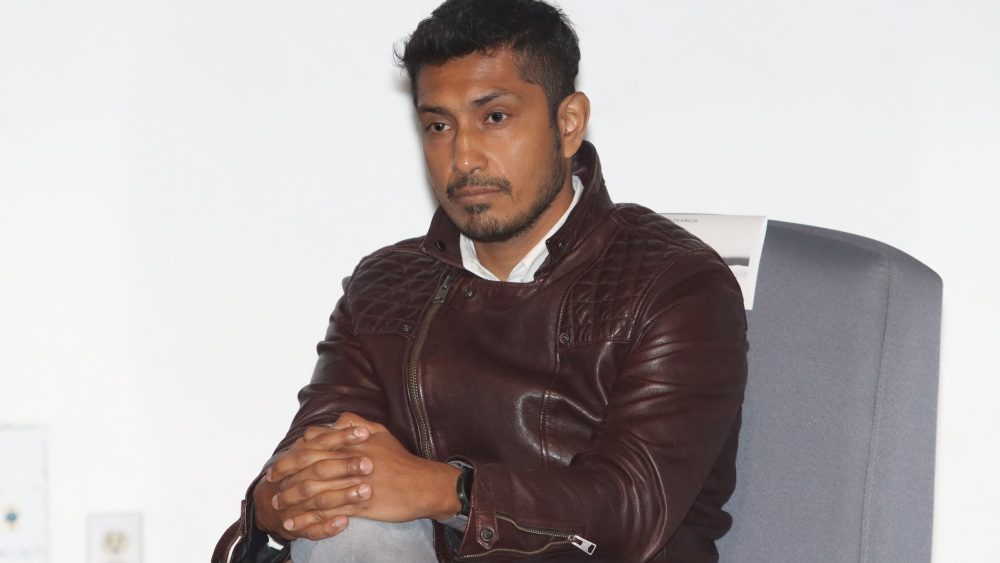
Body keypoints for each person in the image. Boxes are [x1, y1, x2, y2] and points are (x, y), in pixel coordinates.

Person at [222, 0, 748, 561]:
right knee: (345, 523)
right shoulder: (385, 285)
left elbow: (628, 510)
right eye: (438, 125)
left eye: (494, 117)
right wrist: (277, 500)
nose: (464, 156)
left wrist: (444, 489)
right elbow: (322, 442)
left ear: (567, 123)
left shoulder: (676, 283)